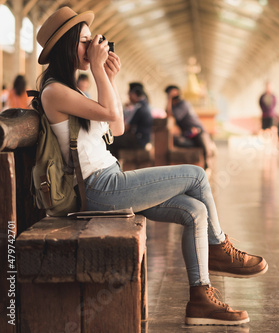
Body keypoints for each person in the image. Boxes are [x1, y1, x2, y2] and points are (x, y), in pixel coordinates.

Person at [35, 6, 267, 326]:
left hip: (110, 180)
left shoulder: (73, 89)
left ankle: (200, 299)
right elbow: (112, 117)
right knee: (196, 174)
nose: (92, 47)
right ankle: (218, 247)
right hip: (99, 188)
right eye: (84, 41)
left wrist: (109, 77)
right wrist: (101, 72)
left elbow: (116, 129)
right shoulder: (54, 92)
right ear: (66, 45)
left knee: (195, 212)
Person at [165, 85, 215, 169]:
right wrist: (169, 99)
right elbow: (168, 113)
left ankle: (206, 162)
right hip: (187, 134)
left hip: (197, 131)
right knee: (175, 140)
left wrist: (169, 99)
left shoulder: (183, 104)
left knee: (198, 140)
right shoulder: (174, 106)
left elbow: (172, 115)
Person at [108, 82, 153, 157]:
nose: (129, 97)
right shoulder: (145, 105)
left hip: (139, 142)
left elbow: (127, 126)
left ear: (134, 94)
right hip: (144, 140)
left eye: (129, 95)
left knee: (110, 141)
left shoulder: (138, 107)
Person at [259, 81, 278, 152]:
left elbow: (275, 104)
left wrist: (271, 112)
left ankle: (274, 147)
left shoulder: (273, 96)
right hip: (265, 115)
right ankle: (265, 146)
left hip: (272, 115)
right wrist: (264, 111)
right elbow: (260, 104)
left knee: (273, 130)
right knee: (264, 131)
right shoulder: (262, 97)